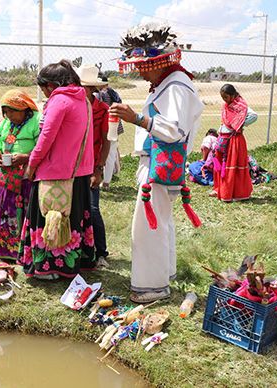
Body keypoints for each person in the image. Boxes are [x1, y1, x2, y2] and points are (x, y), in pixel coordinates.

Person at [110, 23, 204, 303]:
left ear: (158, 61)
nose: (139, 70)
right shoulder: (166, 84)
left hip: (161, 163)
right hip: (158, 162)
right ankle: (165, 273)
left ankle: (152, 286)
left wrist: (136, 118)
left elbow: (174, 130)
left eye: (142, 64)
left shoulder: (176, 87)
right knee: (160, 221)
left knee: (148, 225)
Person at [19, 60, 95, 280]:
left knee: (50, 218)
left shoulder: (60, 100)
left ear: (51, 85)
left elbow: (46, 138)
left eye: (43, 88)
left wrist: (32, 164)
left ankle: (48, 269)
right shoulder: (84, 100)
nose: (44, 93)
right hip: (79, 172)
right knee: (72, 218)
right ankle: (71, 266)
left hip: (57, 174)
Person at [0, 89, 40, 260]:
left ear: (23, 108)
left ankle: (22, 250)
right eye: (5, 111)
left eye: (11, 111)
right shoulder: (6, 124)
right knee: (4, 211)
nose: (8, 115)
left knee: (23, 212)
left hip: (26, 177)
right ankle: (5, 249)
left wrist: (26, 157)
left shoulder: (36, 122)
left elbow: (43, 145)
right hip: (6, 177)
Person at [77, 65, 111, 267]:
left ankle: (101, 252)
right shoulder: (74, 107)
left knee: (93, 208)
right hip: (74, 166)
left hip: (92, 166)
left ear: (91, 89)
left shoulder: (103, 110)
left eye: (84, 87)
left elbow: (106, 141)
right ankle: (81, 250)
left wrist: (99, 169)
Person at [211, 84, 256, 202]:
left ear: (232, 95)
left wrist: (240, 124)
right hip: (223, 139)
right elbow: (225, 122)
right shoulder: (227, 106)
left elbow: (253, 116)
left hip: (234, 139)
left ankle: (233, 193)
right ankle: (219, 189)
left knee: (232, 166)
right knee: (220, 165)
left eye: (226, 97)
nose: (224, 100)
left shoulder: (241, 106)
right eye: (222, 97)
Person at [98, 76, 124, 189]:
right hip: (115, 126)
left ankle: (102, 179)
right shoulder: (113, 93)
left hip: (105, 128)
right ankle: (106, 182)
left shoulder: (100, 95)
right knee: (111, 153)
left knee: (104, 153)